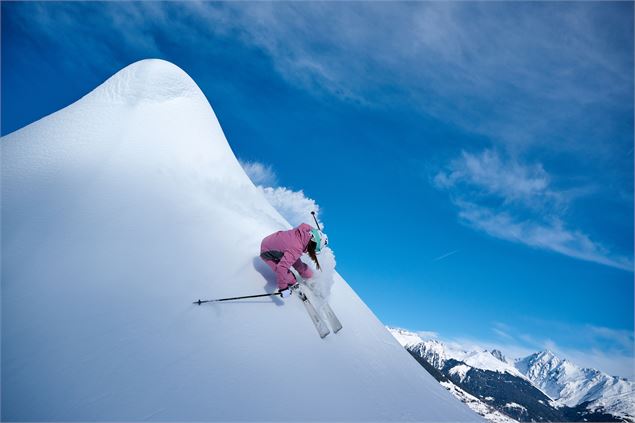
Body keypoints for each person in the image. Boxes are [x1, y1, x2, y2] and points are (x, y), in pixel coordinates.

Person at [260, 223, 328, 298]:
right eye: (314, 249)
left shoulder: (305, 232)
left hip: (276, 241)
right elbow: (281, 268)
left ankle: (311, 278)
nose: (311, 252)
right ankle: (293, 283)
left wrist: (321, 237)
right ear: (312, 243)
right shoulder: (296, 248)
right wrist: (283, 288)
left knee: (299, 265)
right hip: (266, 252)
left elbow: (316, 233)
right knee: (284, 272)